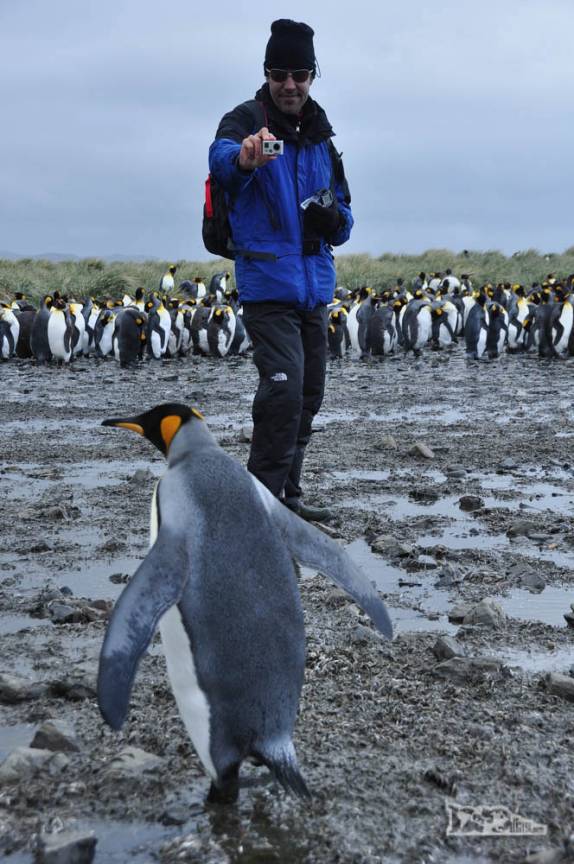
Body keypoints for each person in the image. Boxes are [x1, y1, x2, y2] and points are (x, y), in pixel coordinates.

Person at [208, 19, 353, 522]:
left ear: (313, 74)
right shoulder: (246, 119)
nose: (289, 84)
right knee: (283, 387)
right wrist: (245, 157)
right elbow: (222, 158)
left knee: (308, 393)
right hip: (268, 286)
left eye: (299, 73)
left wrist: (332, 216)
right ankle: (260, 505)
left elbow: (346, 220)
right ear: (266, 73)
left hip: (314, 289)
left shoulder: (320, 138)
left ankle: (287, 497)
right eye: (278, 73)